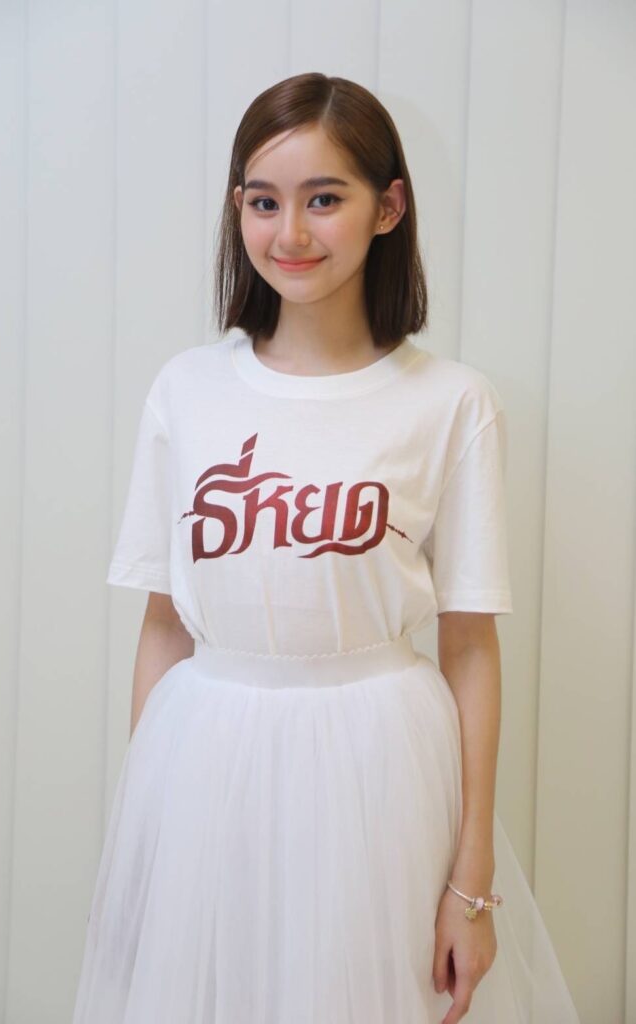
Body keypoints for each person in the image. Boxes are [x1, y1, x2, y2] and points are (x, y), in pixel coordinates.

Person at [72, 72, 581, 1024]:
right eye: (263, 202)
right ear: (237, 208)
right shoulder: (186, 390)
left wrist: (470, 883)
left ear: (388, 208)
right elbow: (164, 623)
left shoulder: (450, 403)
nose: (290, 234)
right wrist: (144, 832)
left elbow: (470, 645)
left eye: (323, 199)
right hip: (207, 757)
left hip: (377, 763)